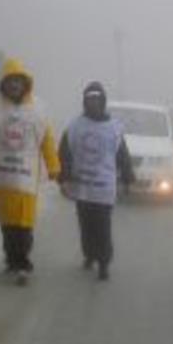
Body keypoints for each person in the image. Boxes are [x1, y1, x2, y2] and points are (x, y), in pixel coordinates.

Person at [0, 58, 61, 286]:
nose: (14, 86)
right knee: (7, 223)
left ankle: (23, 264)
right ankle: (11, 260)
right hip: (3, 176)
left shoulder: (38, 108)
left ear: (25, 84)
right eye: (10, 81)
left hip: (27, 176)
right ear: (4, 83)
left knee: (24, 222)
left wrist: (53, 166)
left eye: (18, 82)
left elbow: (47, 140)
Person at [58, 82, 135, 281]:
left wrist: (127, 178)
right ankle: (89, 255)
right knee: (86, 225)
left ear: (102, 101)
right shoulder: (75, 126)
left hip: (104, 187)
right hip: (82, 186)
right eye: (89, 99)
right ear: (85, 101)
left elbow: (122, 155)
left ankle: (104, 262)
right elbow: (64, 154)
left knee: (102, 226)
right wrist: (64, 179)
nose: (93, 103)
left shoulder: (114, 128)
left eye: (97, 99)